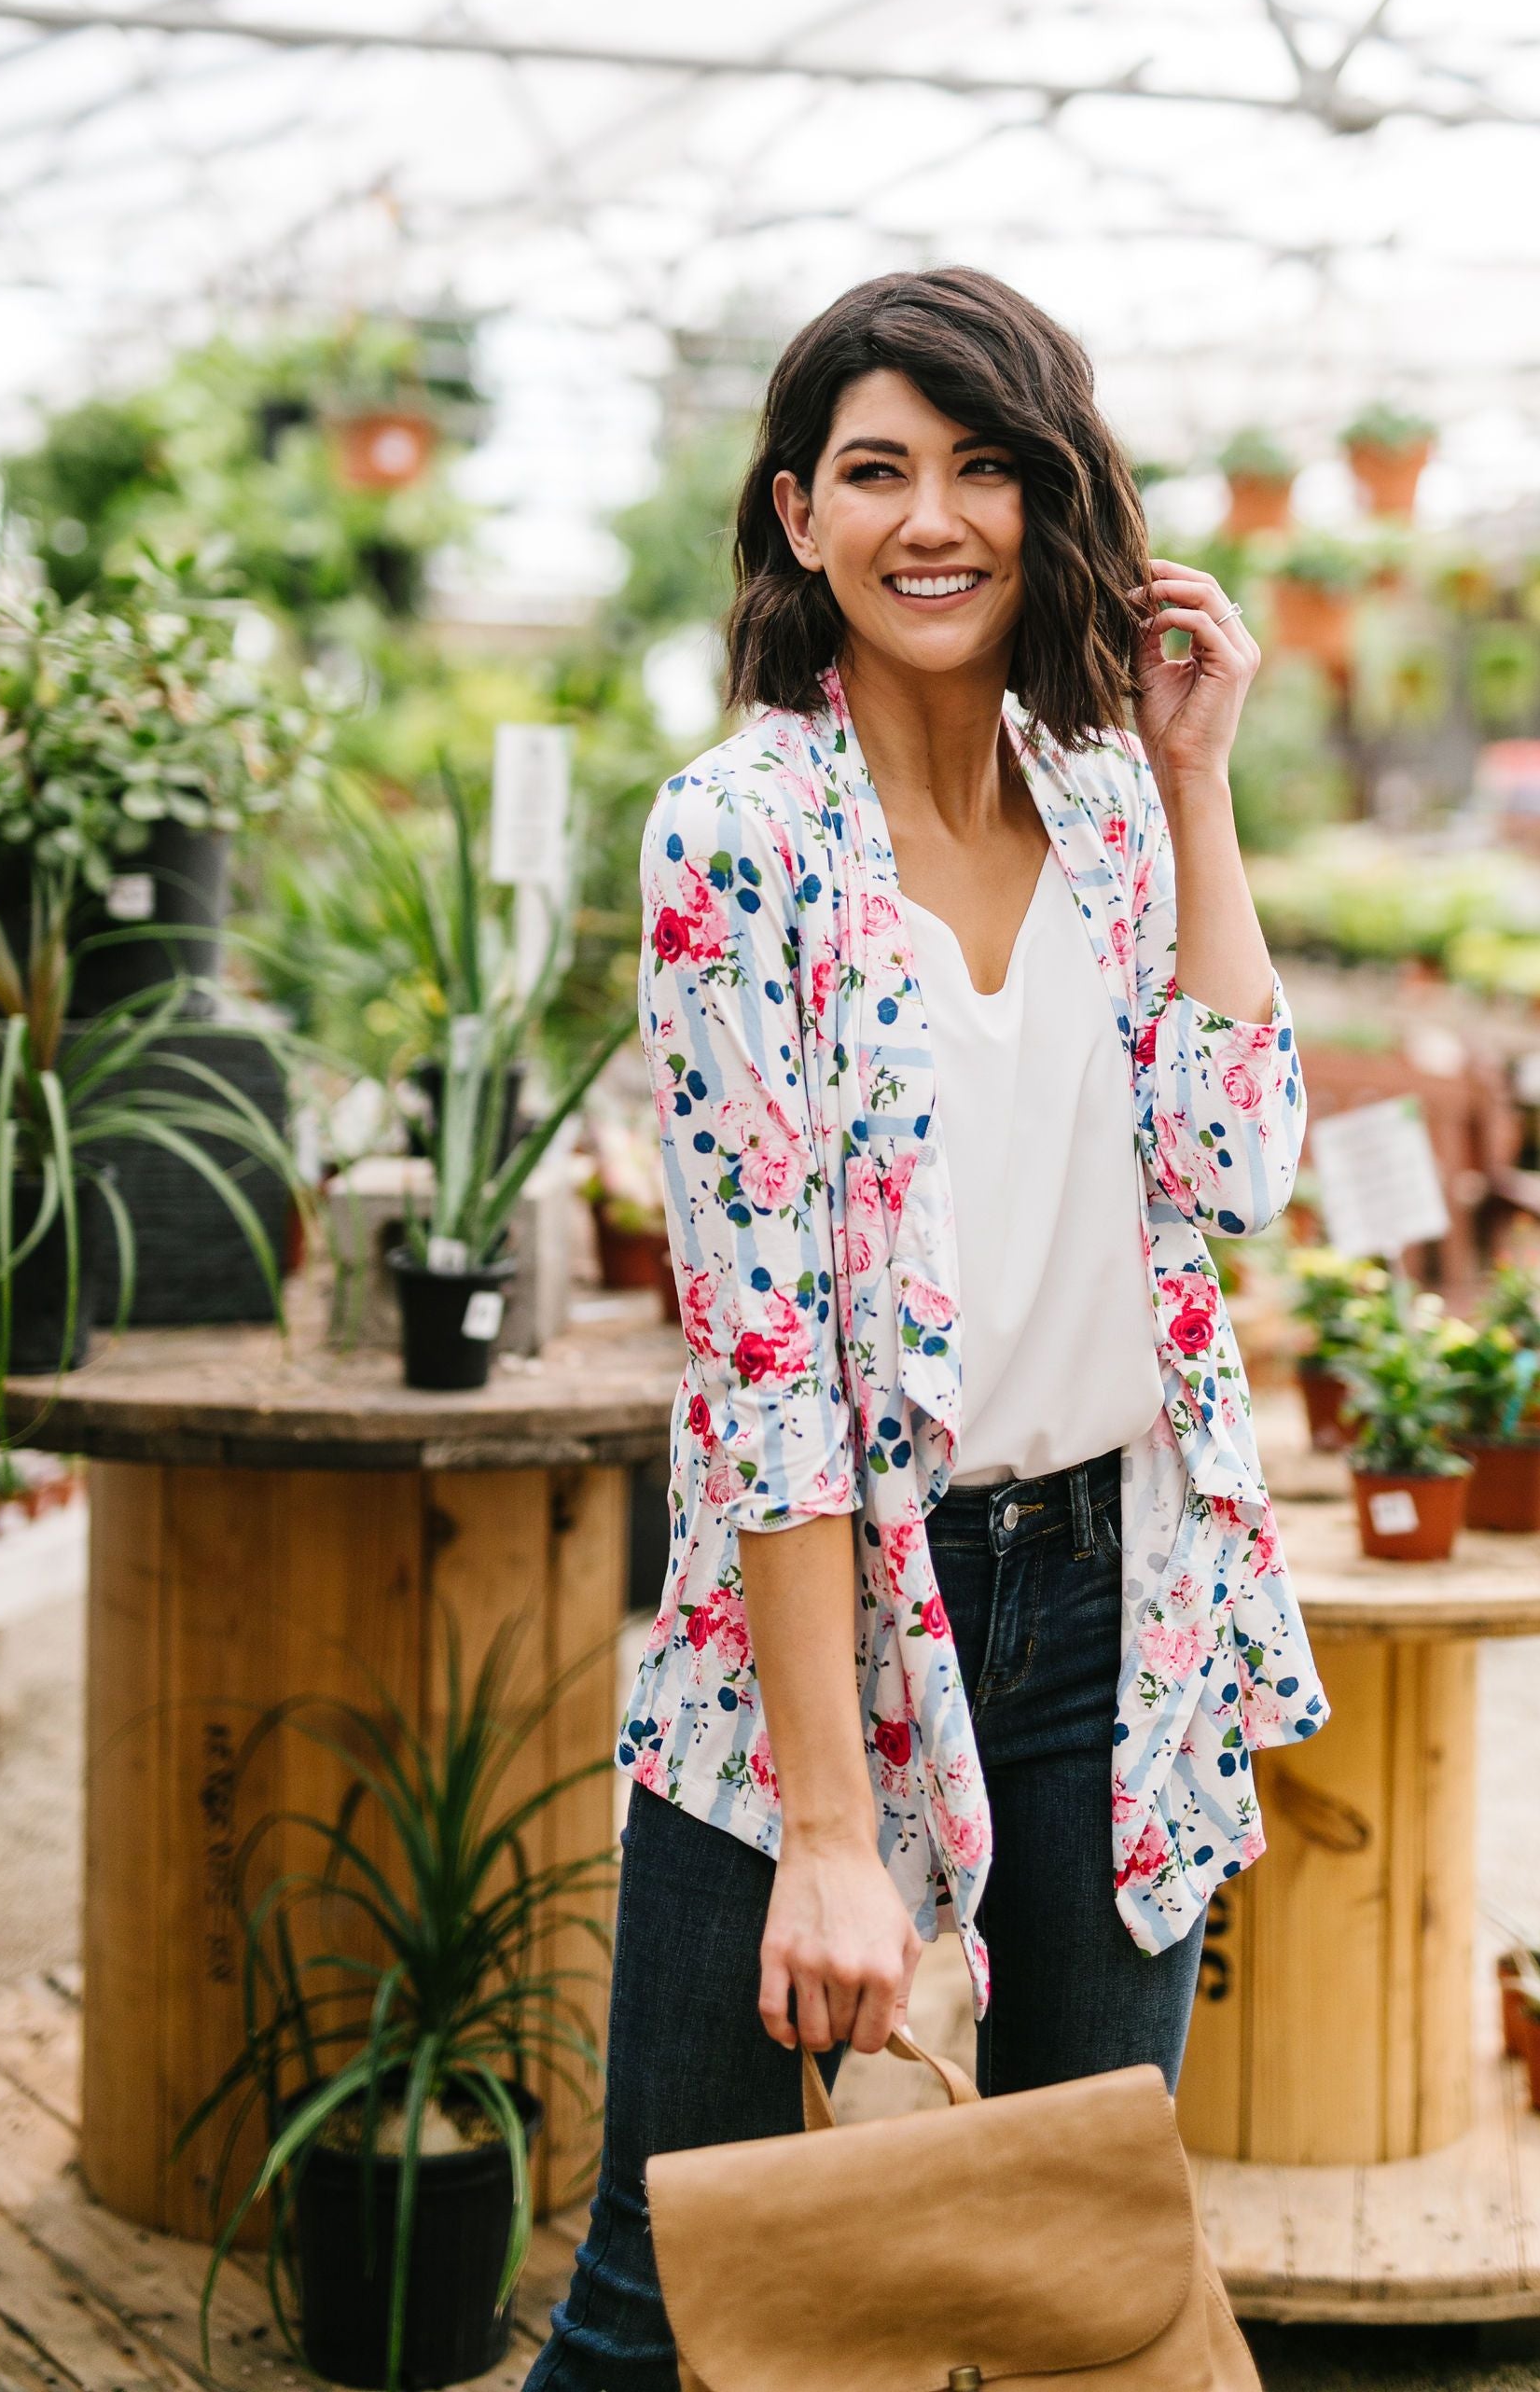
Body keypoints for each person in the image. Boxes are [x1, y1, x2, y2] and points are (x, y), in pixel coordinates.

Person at [529, 269, 1327, 2390]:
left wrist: (1197, 784)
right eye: (876, 471)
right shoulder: (738, 836)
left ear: (1050, 497)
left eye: (984, 465)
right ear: (799, 517)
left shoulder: (1109, 802)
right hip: (824, 1626)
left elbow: (1239, 1163)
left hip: (1117, 1603)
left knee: (1074, 2267)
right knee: (665, 2283)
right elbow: (765, 1367)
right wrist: (821, 1828)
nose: (935, 518)